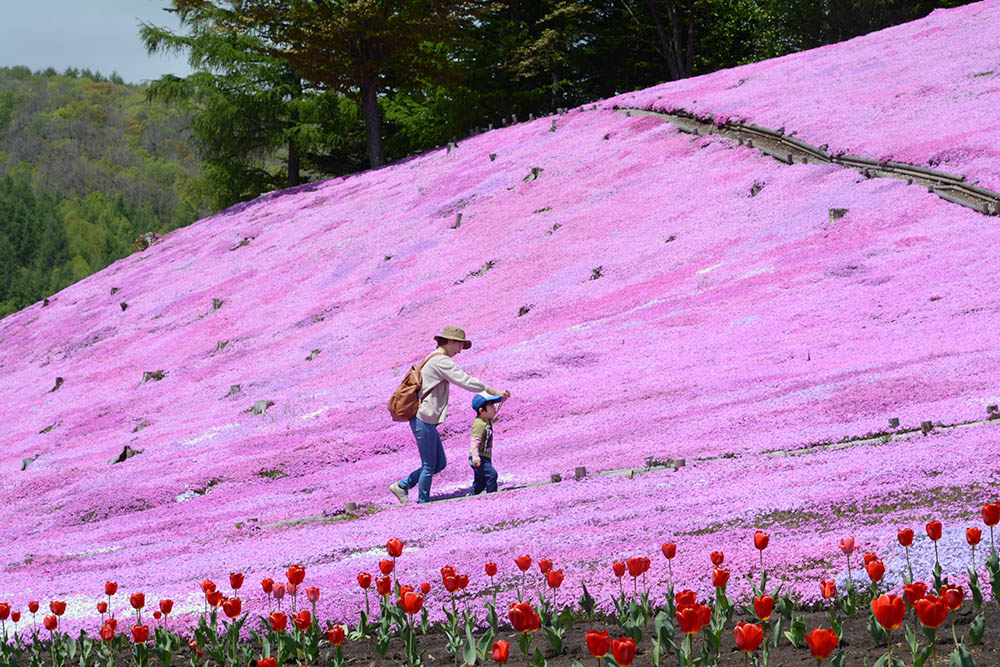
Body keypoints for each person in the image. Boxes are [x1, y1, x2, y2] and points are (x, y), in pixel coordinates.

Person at [389, 326, 509, 504]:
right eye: (460, 345)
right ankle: (422, 502)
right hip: (423, 416)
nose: (460, 350)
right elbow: (465, 381)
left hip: (425, 418)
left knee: (439, 463)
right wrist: (491, 391)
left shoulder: (434, 358)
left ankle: (403, 485)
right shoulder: (441, 361)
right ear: (450, 341)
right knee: (429, 464)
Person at [468, 392, 505, 495]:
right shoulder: (479, 424)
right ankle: (492, 496)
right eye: (491, 406)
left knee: (480, 483)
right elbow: (474, 442)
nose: (494, 408)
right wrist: (475, 457)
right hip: (478, 457)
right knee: (492, 475)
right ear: (481, 410)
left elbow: (495, 410)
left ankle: (471, 496)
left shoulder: (487, 418)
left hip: (486, 456)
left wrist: (503, 400)